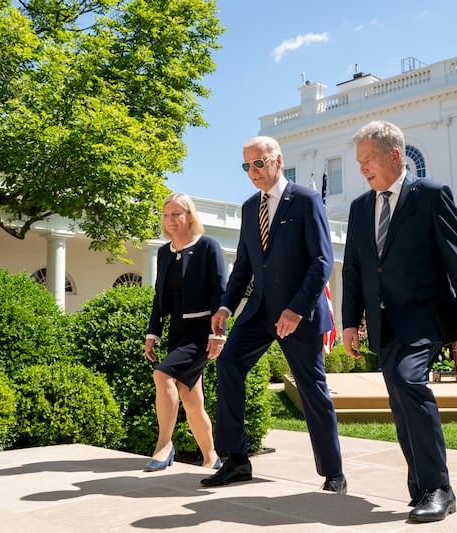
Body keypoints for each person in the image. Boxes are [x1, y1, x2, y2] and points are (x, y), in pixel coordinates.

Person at [341, 120, 457, 524]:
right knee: (400, 404)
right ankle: (422, 489)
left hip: (424, 316)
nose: (363, 168)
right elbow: (353, 268)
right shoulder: (360, 206)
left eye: (368, 160)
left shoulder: (432, 195)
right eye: (359, 162)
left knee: (408, 381)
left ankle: (440, 488)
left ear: (394, 155)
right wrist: (350, 321)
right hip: (384, 324)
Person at [202, 136, 346, 494]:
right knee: (229, 364)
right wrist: (225, 305)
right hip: (259, 313)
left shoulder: (307, 200)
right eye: (247, 166)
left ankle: (334, 474)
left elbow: (321, 261)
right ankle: (236, 460)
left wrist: (297, 309)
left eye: (259, 163)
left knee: (312, 389)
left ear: (278, 161)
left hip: (299, 314)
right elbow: (245, 265)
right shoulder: (250, 207)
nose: (253, 172)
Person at [143, 193, 225, 472]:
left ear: (189, 216)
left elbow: (220, 292)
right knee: (191, 399)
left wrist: (218, 333)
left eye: (176, 214)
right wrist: (153, 333)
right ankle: (211, 456)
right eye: (166, 215)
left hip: (202, 332)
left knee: (162, 374)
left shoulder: (207, 247)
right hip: (177, 331)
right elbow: (159, 296)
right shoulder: (164, 252)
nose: (170, 220)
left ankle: (164, 445)